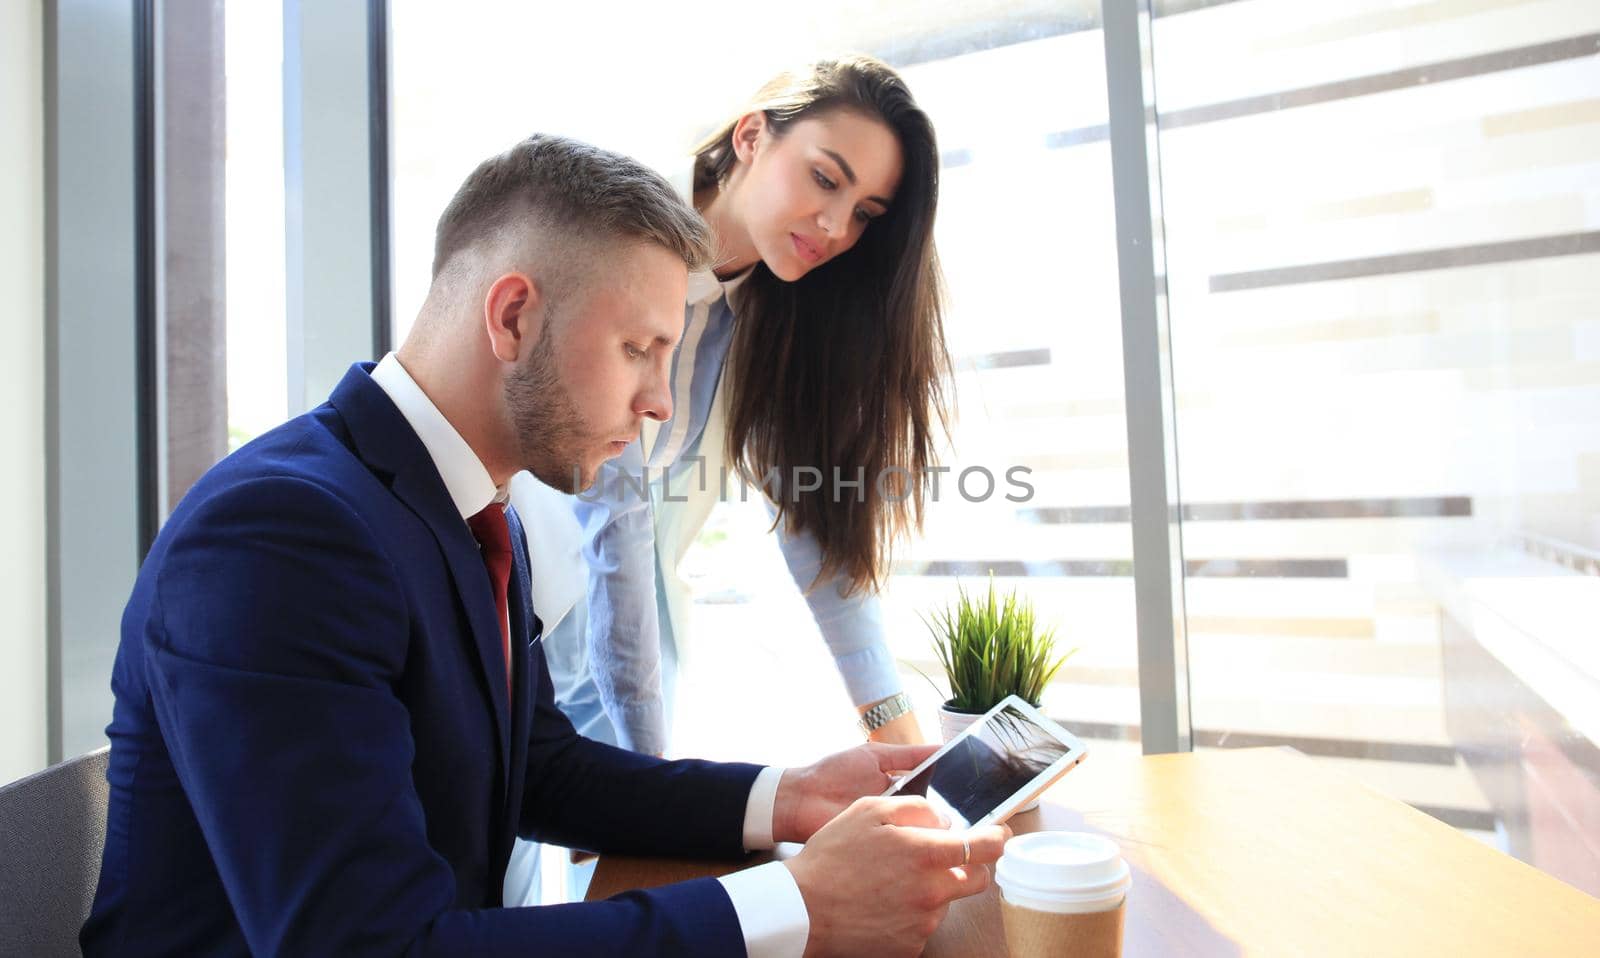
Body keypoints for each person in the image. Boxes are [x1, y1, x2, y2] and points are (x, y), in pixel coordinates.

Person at [80, 133, 1006, 957]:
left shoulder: (476, 510)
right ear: (514, 316)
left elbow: (539, 767)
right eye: (639, 349)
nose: (661, 405)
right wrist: (794, 906)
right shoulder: (282, 536)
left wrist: (787, 797)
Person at [516, 55, 951, 765]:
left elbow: (815, 516)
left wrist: (898, 732)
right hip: (512, 595)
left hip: (615, 622)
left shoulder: (780, 301)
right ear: (751, 136)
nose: (837, 224)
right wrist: (654, 781)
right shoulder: (615, 240)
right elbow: (612, 521)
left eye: (866, 213)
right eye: (824, 177)